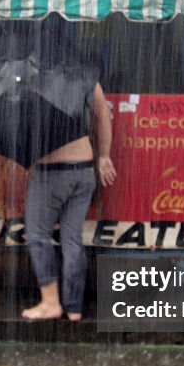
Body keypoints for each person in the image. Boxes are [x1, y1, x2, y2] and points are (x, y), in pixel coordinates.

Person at [21, 76, 116, 322]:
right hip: (84, 171)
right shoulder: (83, 76)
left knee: (38, 235)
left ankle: (51, 303)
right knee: (72, 240)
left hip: (53, 173)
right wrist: (104, 155)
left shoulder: (34, 79)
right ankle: (73, 308)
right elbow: (102, 112)